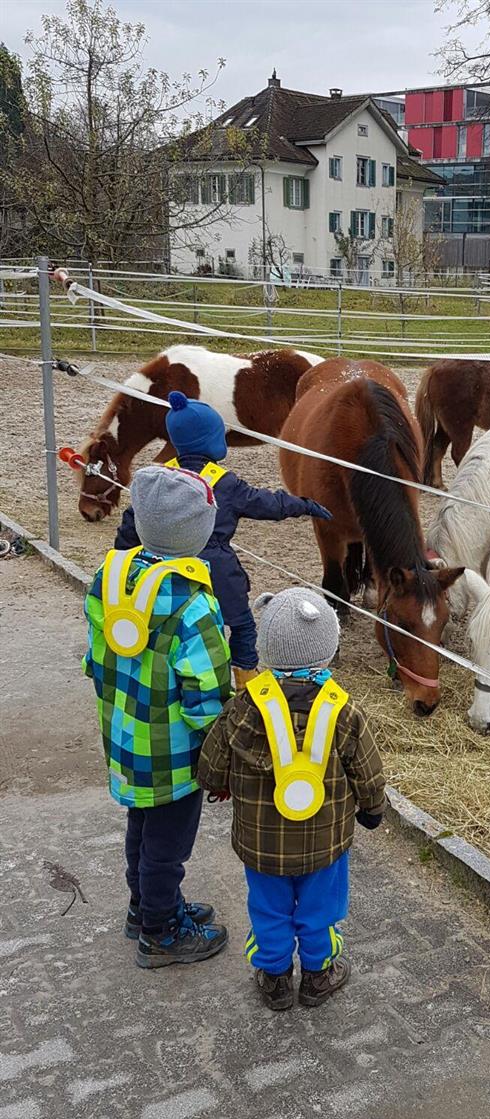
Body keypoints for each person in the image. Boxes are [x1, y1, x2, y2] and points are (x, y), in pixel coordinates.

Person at [199, 587, 385, 1011]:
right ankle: (319, 974)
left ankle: (275, 977)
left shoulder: (245, 706)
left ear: (266, 647)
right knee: (320, 908)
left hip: (261, 844)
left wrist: (216, 782)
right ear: (329, 648)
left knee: (268, 908)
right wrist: (372, 809)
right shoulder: (343, 710)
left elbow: (211, 763)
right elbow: (368, 770)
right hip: (325, 843)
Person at [83, 464, 232, 968]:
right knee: (167, 846)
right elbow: (208, 693)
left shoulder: (111, 576)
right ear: (199, 533)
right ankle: (161, 933)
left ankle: (143, 907)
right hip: (173, 755)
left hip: (125, 738)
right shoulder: (193, 604)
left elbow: (95, 659)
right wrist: (219, 753)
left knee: (141, 829)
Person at [115, 390, 332, 688]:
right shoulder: (224, 483)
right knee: (242, 626)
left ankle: (171, 671)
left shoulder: (161, 477)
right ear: (211, 440)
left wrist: (124, 558)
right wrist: (304, 504)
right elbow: (266, 504)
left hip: (162, 567)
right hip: (215, 569)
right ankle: (245, 682)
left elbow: (132, 521)